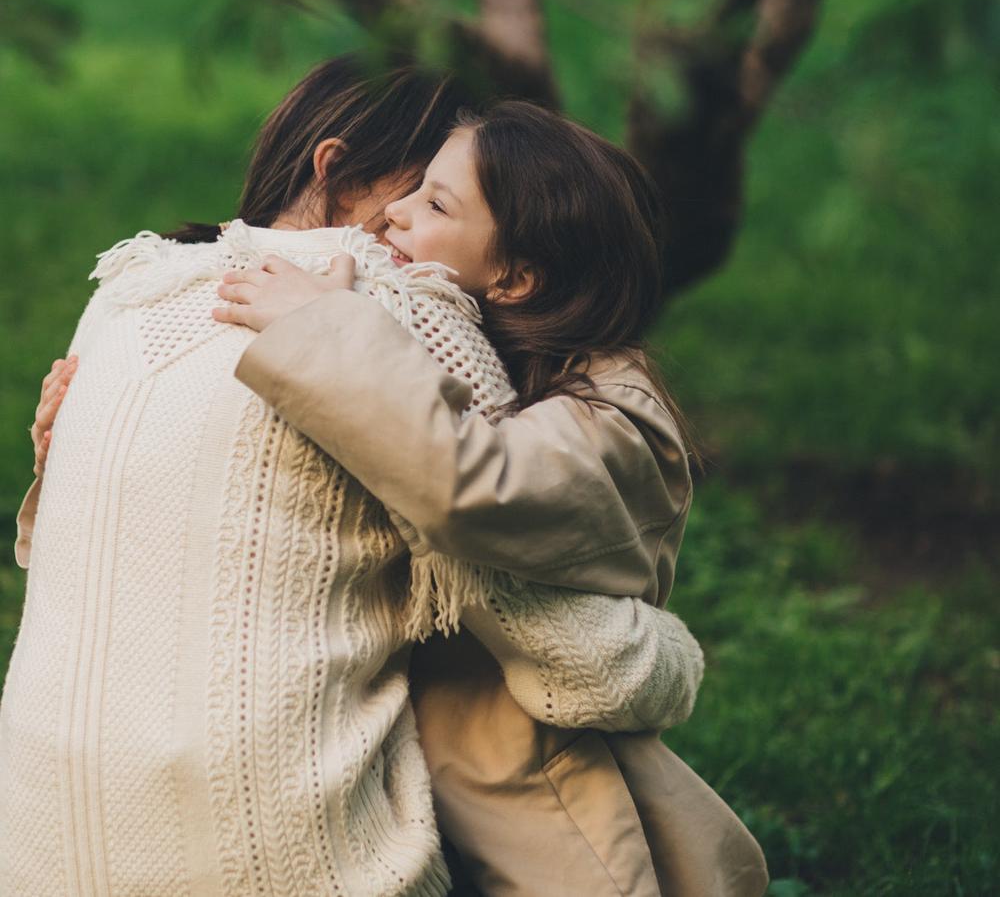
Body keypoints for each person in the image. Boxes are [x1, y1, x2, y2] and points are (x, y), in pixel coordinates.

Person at [1, 61, 754, 897]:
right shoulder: (406, 313)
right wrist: (670, 662)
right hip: (282, 858)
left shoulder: (128, 288)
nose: (396, 220)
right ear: (340, 169)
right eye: (418, 184)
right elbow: (563, 645)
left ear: (516, 271)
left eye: (437, 203)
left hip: (35, 839)